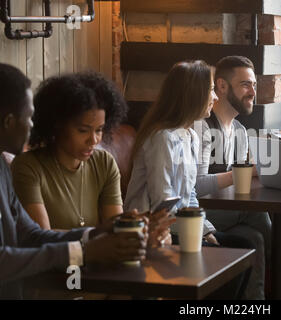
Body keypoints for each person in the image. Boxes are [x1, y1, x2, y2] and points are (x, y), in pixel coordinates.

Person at [0, 63, 168, 299]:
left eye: (99, 130)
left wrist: (102, 233)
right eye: (29, 117)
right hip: (59, 282)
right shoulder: (25, 166)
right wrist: (84, 251)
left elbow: (31, 235)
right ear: (8, 122)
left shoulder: (2, 168)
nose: (32, 125)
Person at [195, 55, 281, 299]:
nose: (253, 92)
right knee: (257, 212)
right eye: (245, 85)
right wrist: (248, 172)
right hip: (198, 212)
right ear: (221, 86)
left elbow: (242, 181)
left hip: (225, 212)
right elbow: (195, 187)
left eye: (254, 85)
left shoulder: (239, 131)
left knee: (253, 238)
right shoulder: (202, 127)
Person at [124, 60, 255, 299]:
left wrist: (205, 231)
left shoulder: (190, 136)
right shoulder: (161, 138)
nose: (215, 98)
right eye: (210, 91)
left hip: (182, 225)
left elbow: (190, 194)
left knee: (244, 248)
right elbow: (162, 201)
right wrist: (198, 235)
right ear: (192, 95)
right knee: (227, 255)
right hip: (156, 229)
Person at [11, 72, 135, 231]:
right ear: (58, 125)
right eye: (83, 130)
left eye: (99, 130)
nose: (94, 140)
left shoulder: (104, 162)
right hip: (57, 256)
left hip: (99, 255)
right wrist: (94, 236)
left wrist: (143, 232)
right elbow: (41, 236)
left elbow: (115, 230)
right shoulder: (28, 167)